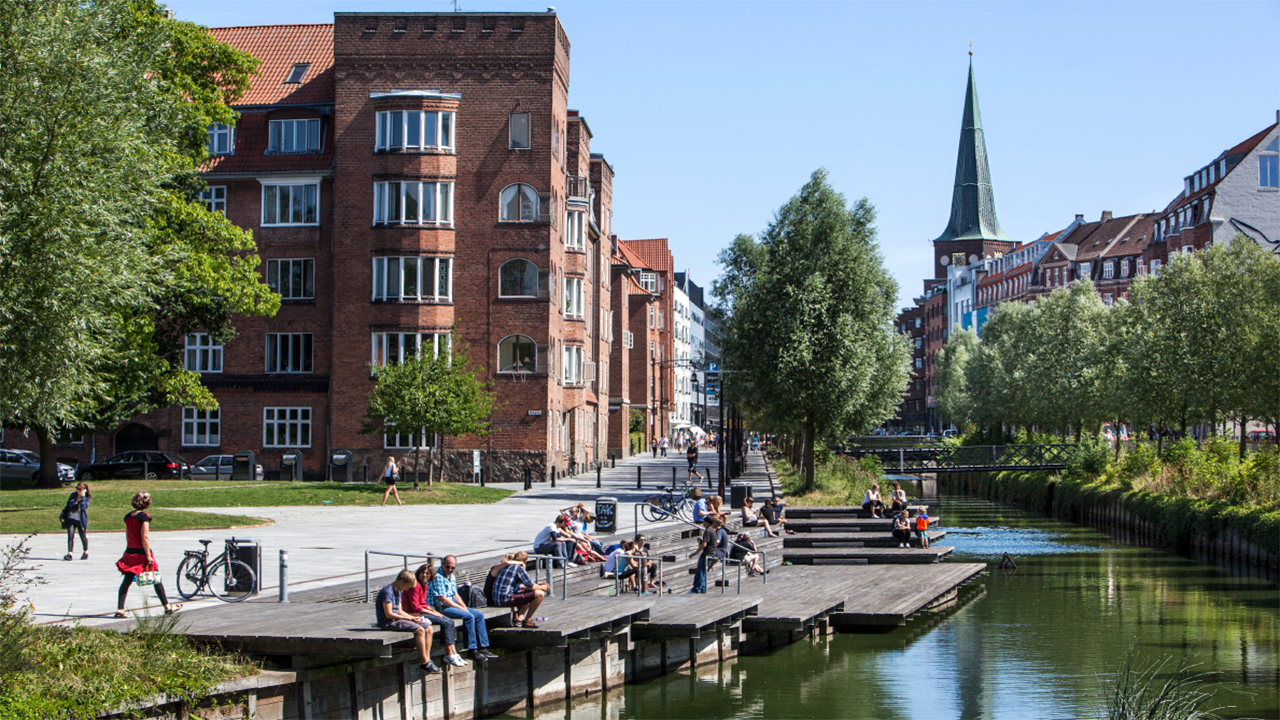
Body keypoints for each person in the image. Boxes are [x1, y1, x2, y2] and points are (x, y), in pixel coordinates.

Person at [114, 492, 181, 617]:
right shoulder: (144, 517)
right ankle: (167, 607)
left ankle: (120, 609)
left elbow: (128, 535)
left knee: (126, 580)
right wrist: (148, 555)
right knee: (156, 579)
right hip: (141, 553)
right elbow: (145, 536)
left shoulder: (128, 517)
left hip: (130, 552)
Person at [427, 555, 497, 661]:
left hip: (451, 605)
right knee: (468, 616)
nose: (450, 569)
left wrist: (464, 606)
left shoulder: (451, 576)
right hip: (439, 607)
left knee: (478, 615)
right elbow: (443, 599)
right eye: (448, 567)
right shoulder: (438, 577)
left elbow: (455, 595)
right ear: (442, 565)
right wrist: (460, 608)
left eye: (452, 568)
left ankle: (483, 647)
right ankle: (471, 649)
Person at [377, 569, 442, 674]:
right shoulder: (387, 592)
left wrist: (413, 618)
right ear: (402, 581)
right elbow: (389, 614)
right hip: (389, 622)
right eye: (407, 587)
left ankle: (428, 659)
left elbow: (400, 611)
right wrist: (409, 619)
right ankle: (425, 662)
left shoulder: (398, 591)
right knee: (420, 630)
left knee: (428, 628)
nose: (407, 589)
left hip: (398, 618)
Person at [403, 564, 466, 667]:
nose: (424, 575)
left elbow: (423, 603)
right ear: (418, 573)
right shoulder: (415, 585)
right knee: (446, 622)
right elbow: (416, 607)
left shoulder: (424, 585)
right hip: (413, 613)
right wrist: (432, 612)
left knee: (449, 620)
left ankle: (453, 652)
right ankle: (449, 653)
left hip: (420, 611)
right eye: (422, 573)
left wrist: (435, 612)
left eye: (427, 573)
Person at [489, 552, 548, 628]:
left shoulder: (506, 567)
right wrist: (543, 587)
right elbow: (531, 587)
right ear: (525, 561)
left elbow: (521, 586)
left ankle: (519, 619)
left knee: (527, 595)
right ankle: (528, 620)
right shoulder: (518, 568)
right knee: (539, 594)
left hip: (497, 599)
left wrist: (538, 585)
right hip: (505, 599)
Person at [688, 517, 721, 594]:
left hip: (706, 554)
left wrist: (694, 553)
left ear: (707, 522)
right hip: (711, 554)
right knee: (704, 572)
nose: (703, 522)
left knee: (701, 572)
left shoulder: (707, 531)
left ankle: (697, 589)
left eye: (704, 521)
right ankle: (702, 588)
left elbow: (704, 545)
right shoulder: (713, 531)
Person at [61, 482, 91, 561]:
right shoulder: (73, 495)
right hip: (71, 519)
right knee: (70, 536)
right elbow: (68, 505)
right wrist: (62, 513)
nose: (77, 490)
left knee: (83, 537)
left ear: (84, 490)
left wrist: (83, 497)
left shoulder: (87, 498)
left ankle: (85, 552)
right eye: (76, 488)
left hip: (80, 520)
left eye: (79, 489)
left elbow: (84, 507)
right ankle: (70, 553)